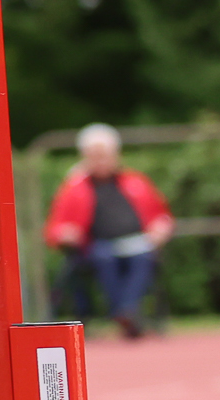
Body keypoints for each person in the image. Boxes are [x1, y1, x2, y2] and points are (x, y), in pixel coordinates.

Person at [42, 125, 175, 339]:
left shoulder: (136, 182)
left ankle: (126, 311)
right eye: (95, 156)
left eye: (105, 155)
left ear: (116, 155)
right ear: (85, 157)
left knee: (144, 257)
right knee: (105, 257)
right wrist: (65, 233)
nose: (101, 161)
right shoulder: (75, 188)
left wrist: (160, 227)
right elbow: (55, 227)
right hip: (96, 246)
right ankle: (126, 313)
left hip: (138, 242)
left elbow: (160, 214)